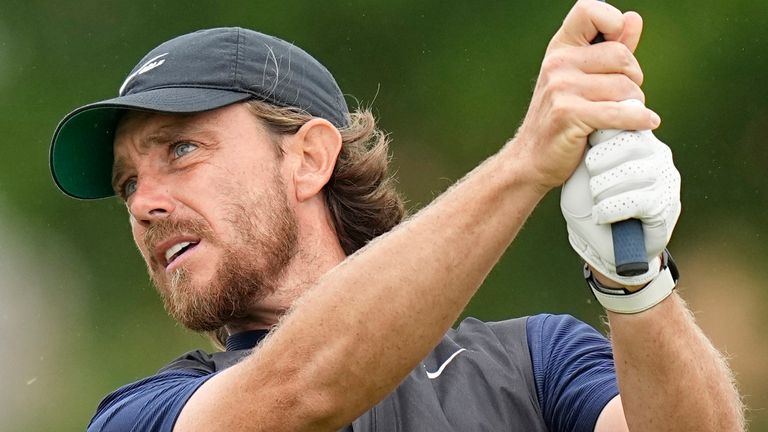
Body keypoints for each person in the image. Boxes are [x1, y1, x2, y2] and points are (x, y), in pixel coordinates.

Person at [50, 1, 743, 431]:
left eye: (180, 148)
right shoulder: (142, 415)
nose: (144, 203)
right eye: (127, 184)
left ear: (309, 159)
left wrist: (635, 285)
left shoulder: (535, 363)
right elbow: (304, 391)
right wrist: (525, 163)